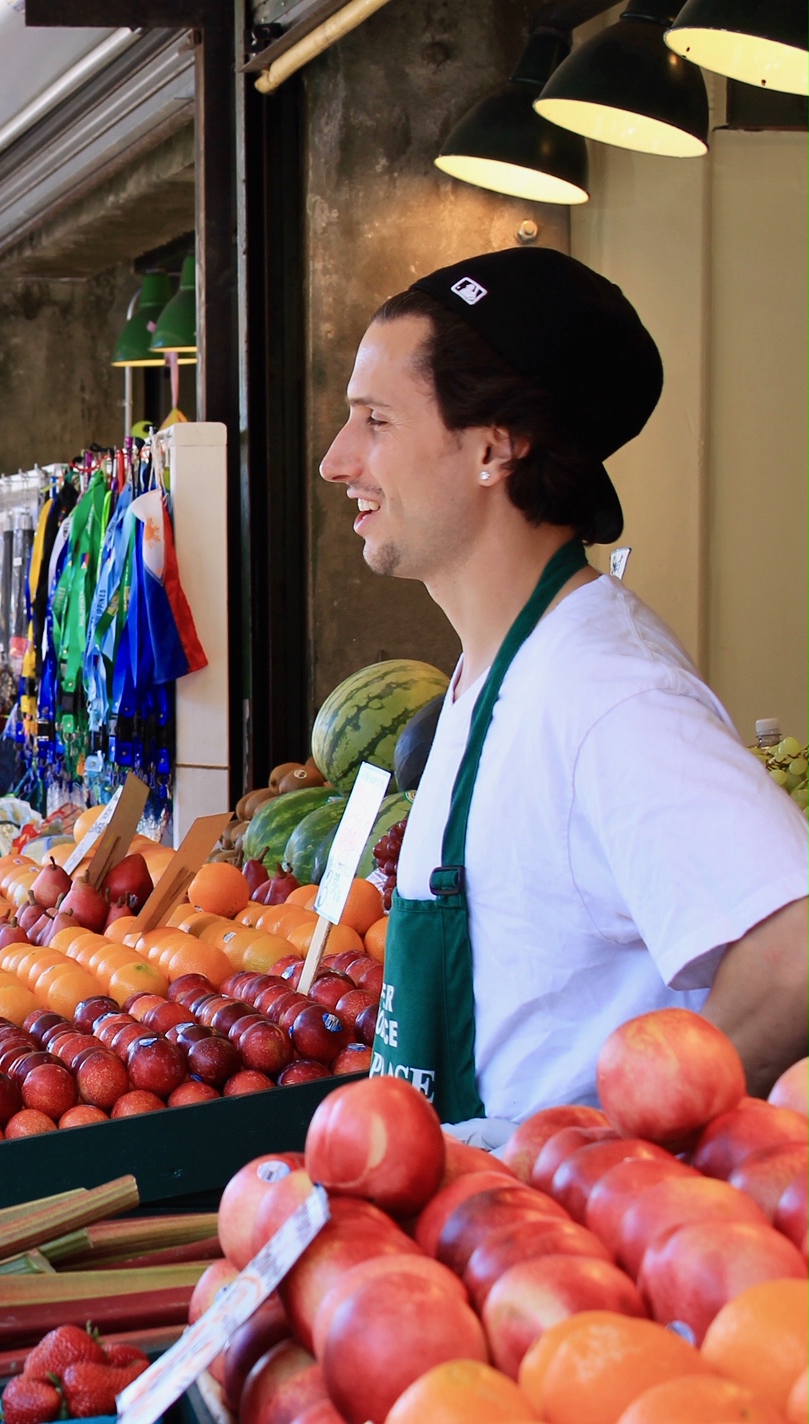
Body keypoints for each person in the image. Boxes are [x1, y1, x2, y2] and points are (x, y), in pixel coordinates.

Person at [320, 246, 809, 1131]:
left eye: (375, 421)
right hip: (474, 1240)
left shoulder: (608, 694)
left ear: (494, 449)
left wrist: (631, 1150)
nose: (336, 460)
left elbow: (796, 949)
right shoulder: (496, 670)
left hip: (552, 1249)